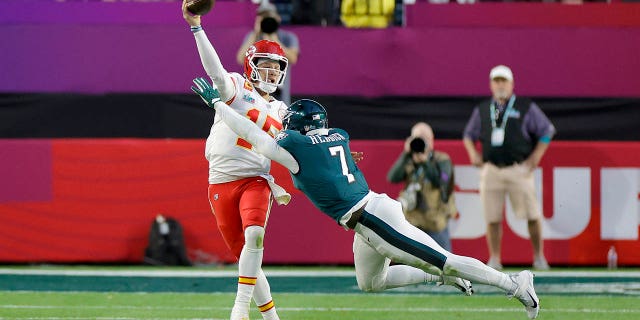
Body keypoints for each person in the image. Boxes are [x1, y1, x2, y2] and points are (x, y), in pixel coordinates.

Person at [191, 79, 541, 319]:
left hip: (372, 218)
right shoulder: (338, 135)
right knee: (371, 283)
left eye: (292, 126)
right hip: (370, 211)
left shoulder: (295, 147)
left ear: (300, 129)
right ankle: (441, 276)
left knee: (446, 260)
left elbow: (254, 133)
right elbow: (320, 150)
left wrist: (219, 105)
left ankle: (513, 283)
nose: (287, 131)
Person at [182, 2, 291, 320]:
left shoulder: (283, 111)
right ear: (251, 64)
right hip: (220, 181)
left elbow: (304, 142)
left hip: (255, 179)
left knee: (255, 235)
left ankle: (239, 309)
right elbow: (214, 70)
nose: (271, 72)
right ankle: (272, 317)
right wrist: (197, 27)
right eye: (265, 64)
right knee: (245, 253)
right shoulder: (237, 87)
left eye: (276, 67)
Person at [462, 65, 555, 271]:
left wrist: (536, 156)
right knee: (492, 217)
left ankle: (539, 257)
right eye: (496, 81)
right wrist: (472, 153)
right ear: (491, 84)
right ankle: (495, 258)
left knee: (532, 214)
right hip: (492, 168)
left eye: (504, 81)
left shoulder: (524, 106)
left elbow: (547, 130)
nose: (500, 85)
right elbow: (468, 134)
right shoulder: (484, 109)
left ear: (512, 84)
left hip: (518, 168)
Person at [387, 122, 457, 252]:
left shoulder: (442, 159)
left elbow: (440, 182)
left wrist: (425, 162)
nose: (420, 141)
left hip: (435, 222)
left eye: (424, 137)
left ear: (432, 140)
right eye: (417, 137)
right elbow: (392, 177)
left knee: (444, 267)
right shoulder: (409, 159)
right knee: (410, 267)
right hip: (413, 221)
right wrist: (405, 154)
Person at [236, 1, 300, 106]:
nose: (267, 19)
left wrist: (274, 40)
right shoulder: (252, 36)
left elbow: (293, 58)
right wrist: (256, 33)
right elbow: (240, 59)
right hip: (254, 98)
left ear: (278, 19)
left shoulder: (288, 37)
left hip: (281, 96)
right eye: (263, 17)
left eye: (269, 17)